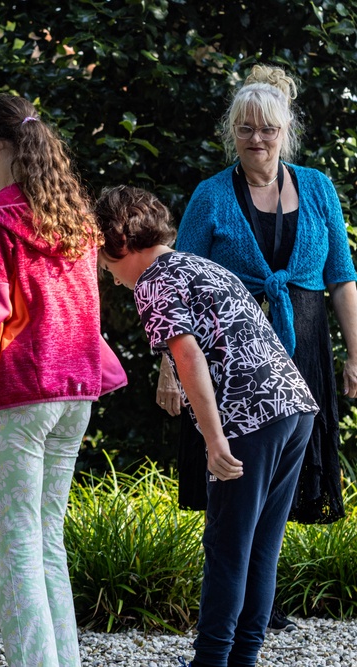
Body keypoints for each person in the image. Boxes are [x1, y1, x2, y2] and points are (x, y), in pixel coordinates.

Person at [159, 64, 357, 630]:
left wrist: (356, 355)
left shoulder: (318, 188)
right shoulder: (211, 195)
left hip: (304, 350)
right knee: (234, 482)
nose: (257, 138)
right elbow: (177, 285)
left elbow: (342, 277)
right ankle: (231, 612)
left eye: (267, 128)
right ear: (232, 133)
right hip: (230, 363)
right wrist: (171, 369)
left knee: (285, 485)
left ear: (284, 130)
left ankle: (258, 607)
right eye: (245, 128)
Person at [95, 185, 319, 667]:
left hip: (250, 416)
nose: (109, 276)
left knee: (226, 544)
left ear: (120, 239)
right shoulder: (200, 265)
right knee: (261, 542)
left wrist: (215, 441)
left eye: (106, 260)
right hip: (294, 406)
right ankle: (243, 657)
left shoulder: (155, 280)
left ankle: (211, 661)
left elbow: (189, 356)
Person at [0, 93, 124, 667]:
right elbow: (90, 311)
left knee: (20, 544)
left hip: (22, 392)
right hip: (76, 390)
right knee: (48, 540)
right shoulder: (76, 219)